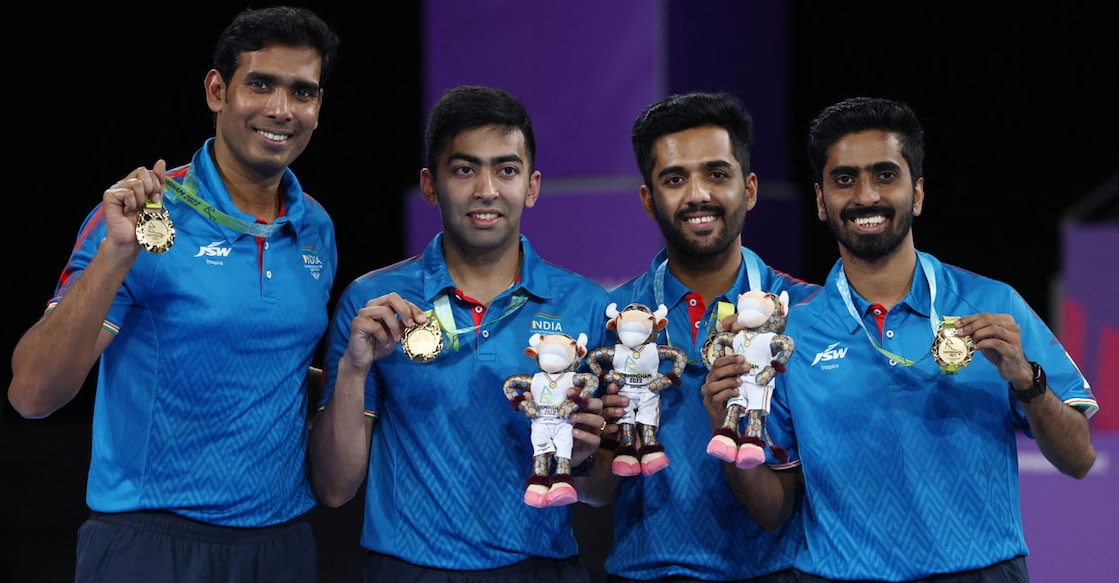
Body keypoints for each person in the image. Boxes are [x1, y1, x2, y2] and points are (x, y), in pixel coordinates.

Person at [703, 96, 1100, 582]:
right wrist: (724, 425)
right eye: (845, 179)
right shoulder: (792, 336)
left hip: (979, 573)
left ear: (917, 193)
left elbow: (1079, 459)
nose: (866, 195)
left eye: (885, 175)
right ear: (822, 202)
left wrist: (1027, 381)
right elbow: (774, 511)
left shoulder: (991, 303)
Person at [7, 6, 340, 582]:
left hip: (282, 546)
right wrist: (115, 255)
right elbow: (33, 394)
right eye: (260, 84)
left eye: (302, 91)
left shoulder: (316, 227)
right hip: (151, 546)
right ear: (217, 90)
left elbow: (271, 361)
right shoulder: (141, 217)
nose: (281, 110)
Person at [309, 84, 613, 582]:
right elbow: (335, 487)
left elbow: (604, 491)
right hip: (409, 570)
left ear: (532, 186)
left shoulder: (586, 306)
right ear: (430, 185)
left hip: (543, 568)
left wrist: (580, 463)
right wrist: (354, 366)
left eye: (506, 170)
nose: (486, 189)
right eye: (465, 169)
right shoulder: (374, 302)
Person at [580, 91, 820, 582]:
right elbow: (597, 492)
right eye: (674, 179)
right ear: (648, 199)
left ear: (749, 188)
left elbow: (780, 512)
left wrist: (724, 425)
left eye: (716, 174)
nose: (697, 195)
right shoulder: (606, 319)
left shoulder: (807, 312)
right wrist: (586, 451)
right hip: (643, 573)